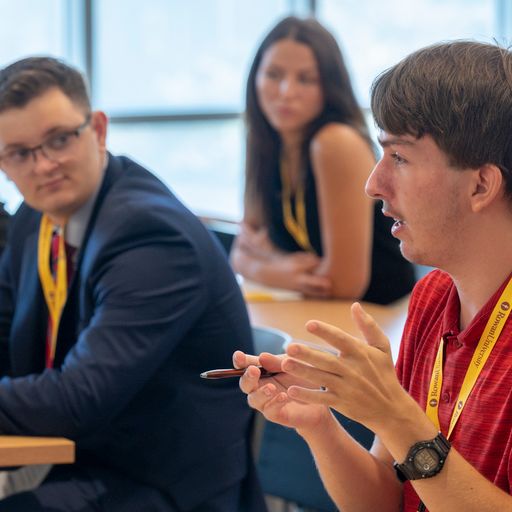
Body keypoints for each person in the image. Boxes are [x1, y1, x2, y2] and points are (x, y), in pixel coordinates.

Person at [236, 39, 512, 512]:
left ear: (481, 185)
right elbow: (383, 502)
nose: (373, 183)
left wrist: (394, 416)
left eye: (399, 158)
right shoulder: (433, 296)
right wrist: (319, 425)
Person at [0, 56, 266, 512]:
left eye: (59, 140)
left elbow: (77, 398)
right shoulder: (36, 219)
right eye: (20, 153)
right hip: (85, 460)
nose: (43, 165)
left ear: (98, 130)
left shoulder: (149, 236)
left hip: (158, 486)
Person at [230, 16, 415, 303]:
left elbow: (342, 285)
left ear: (328, 87)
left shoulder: (335, 142)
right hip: (317, 311)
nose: (286, 92)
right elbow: (242, 249)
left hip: (381, 317)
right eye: (273, 74)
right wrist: (276, 269)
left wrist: (267, 264)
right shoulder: (265, 139)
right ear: (255, 76)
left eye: (305, 79)